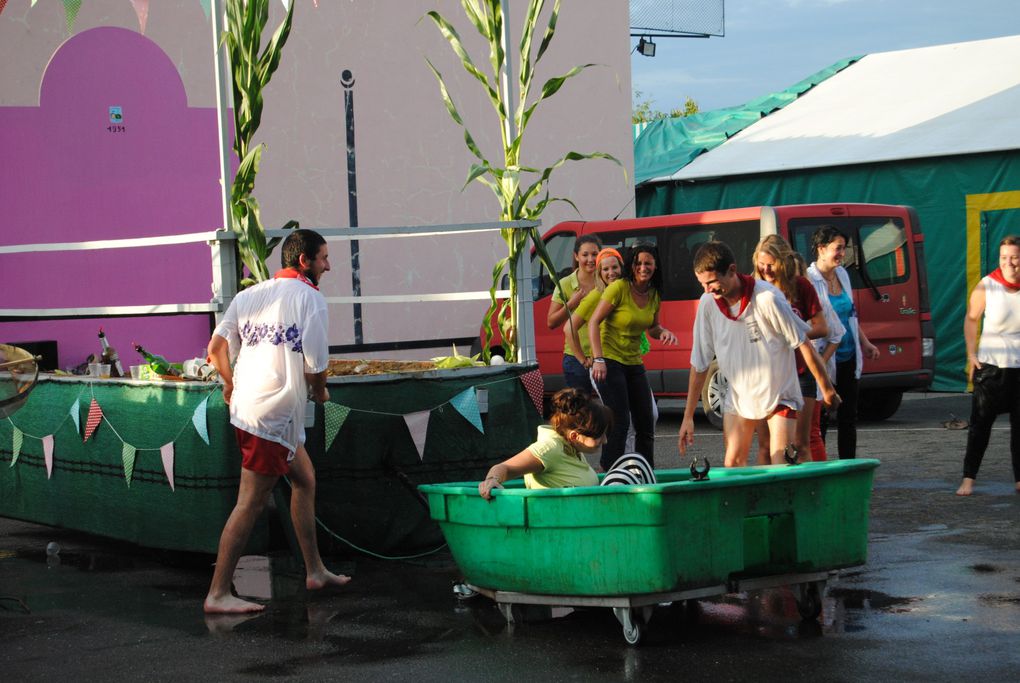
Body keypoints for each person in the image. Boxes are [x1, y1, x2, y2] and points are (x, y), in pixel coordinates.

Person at [204, 229, 350, 614]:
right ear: (304, 261)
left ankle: (315, 570)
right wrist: (320, 392)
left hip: (255, 410)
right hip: (271, 415)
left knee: (305, 480)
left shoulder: (248, 295)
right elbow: (316, 366)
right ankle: (217, 593)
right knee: (250, 502)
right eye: (323, 258)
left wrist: (230, 384)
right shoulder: (311, 299)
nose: (328, 265)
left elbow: (216, 349)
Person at [678, 241, 840, 468]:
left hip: (779, 392)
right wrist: (688, 417)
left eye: (712, 282)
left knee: (780, 460)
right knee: (732, 462)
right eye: (702, 283)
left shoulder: (767, 298)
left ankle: (789, 502)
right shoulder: (708, 304)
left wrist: (827, 389)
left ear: (732, 270)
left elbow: (803, 344)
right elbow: (699, 363)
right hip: (740, 394)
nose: (707, 290)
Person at [588, 243, 678, 470]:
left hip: (633, 362)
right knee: (620, 421)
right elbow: (593, 322)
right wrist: (598, 359)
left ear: (655, 266)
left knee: (647, 422)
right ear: (631, 265)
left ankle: (645, 471)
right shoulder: (618, 288)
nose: (643, 267)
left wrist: (664, 331)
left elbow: (653, 328)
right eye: (638, 263)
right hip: (609, 360)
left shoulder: (654, 294)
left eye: (648, 263)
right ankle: (610, 470)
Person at [751, 236, 840, 463]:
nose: (766, 270)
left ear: (784, 261)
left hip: (801, 370)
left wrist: (790, 334)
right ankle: (767, 493)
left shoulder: (800, 286)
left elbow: (821, 327)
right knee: (767, 445)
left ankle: (810, 492)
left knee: (801, 443)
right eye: (761, 264)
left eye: (772, 264)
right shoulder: (755, 288)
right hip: (767, 373)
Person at [565, 247, 660, 452]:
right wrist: (585, 359)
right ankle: (616, 464)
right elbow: (569, 327)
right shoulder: (597, 295)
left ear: (622, 267)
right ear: (599, 273)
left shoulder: (626, 291)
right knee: (620, 418)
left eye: (615, 267)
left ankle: (635, 462)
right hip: (605, 363)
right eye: (605, 269)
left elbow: (649, 324)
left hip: (630, 362)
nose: (611, 273)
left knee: (647, 416)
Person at [808, 226, 880, 460]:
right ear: (821, 249)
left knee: (849, 417)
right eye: (837, 248)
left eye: (844, 248)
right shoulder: (809, 279)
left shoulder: (843, 275)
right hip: (825, 358)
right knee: (822, 417)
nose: (842, 253)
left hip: (848, 356)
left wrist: (866, 343)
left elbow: (851, 316)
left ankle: (848, 466)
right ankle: (821, 467)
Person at [956, 236, 1020, 496]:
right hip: (991, 368)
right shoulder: (988, 285)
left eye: (1014, 257)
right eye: (1004, 257)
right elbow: (971, 319)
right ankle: (968, 479)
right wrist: (972, 354)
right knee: (980, 426)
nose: (1009, 263)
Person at [479, 388, 608, 499]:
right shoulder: (550, 448)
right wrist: (492, 480)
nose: (605, 440)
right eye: (599, 436)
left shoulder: (573, 448)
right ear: (574, 436)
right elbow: (504, 468)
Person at [548, 235, 602, 391]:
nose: (590, 259)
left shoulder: (606, 280)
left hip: (604, 356)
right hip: (576, 359)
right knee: (580, 409)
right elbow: (551, 322)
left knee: (610, 407)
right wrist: (571, 304)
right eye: (585, 255)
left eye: (595, 254)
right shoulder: (565, 284)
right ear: (576, 256)